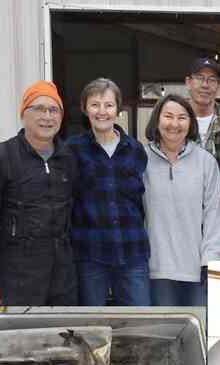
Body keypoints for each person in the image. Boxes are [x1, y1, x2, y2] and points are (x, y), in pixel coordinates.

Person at [0, 80, 78, 306]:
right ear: (23, 114)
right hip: (16, 278)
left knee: (62, 339)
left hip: (63, 279)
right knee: (19, 339)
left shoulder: (68, 158)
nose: (47, 116)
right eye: (38, 109)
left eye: (54, 109)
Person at [66, 78, 150, 306]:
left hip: (132, 251)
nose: (102, 111)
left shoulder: (135, 149)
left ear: (118, 109)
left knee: (140, 323)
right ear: (85, 109)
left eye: (108, 105)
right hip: (90, 253)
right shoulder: (72, 150)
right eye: (95, 105)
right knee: (90, 326)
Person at [143, 94, 220, 306]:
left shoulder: (205, 162)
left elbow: (214, 214)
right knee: (164, 334)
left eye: (182, 118)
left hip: (195, 271)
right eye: (168, 116)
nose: (174, 124)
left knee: (199, 333)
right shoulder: (140, 160)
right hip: (156, 269)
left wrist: (210, 261)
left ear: (190, 124)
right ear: (157, 120)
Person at [184, 56, 220, 160]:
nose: (205, 85)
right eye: (200, 78)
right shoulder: (176, 117)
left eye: (212, 80)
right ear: (188, 82)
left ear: (219, 85)